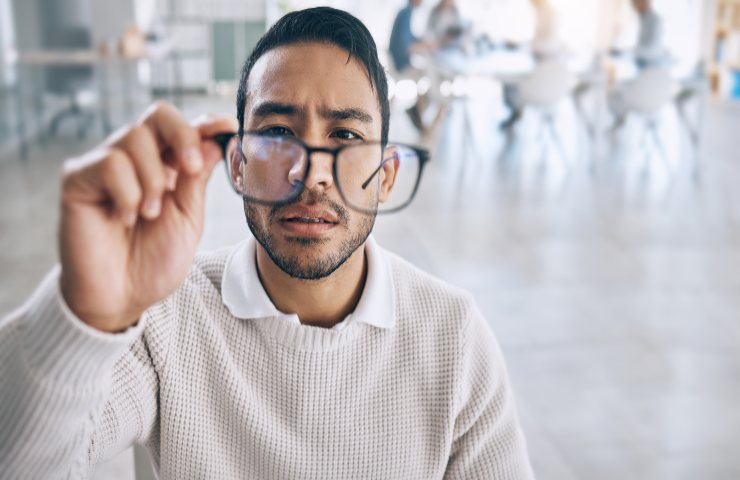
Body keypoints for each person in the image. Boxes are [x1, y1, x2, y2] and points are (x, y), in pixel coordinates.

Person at [0, 7, 533, 479]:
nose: (312, 175)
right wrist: (85, 315)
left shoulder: (453, 337)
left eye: (345, 136)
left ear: (387, 174)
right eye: (278, 132)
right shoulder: (162, 320)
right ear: (237, 164)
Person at [389, 0, 437, 132]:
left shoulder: (407, 12)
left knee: (426, 74)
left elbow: (409, 37)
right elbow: (406, 47)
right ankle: (418, 111)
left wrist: (422, 41)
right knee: (429, 76)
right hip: (400, 65)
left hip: (400, 61)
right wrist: (424, 46)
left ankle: (417, 109)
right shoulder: (406, 13)